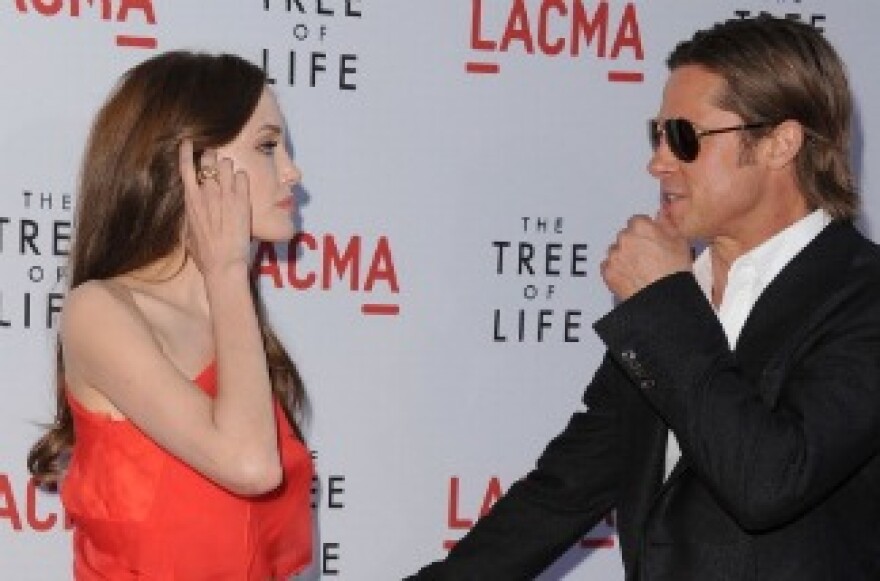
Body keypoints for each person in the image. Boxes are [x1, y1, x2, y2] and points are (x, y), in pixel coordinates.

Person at [409, 15, 880, 580]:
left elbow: (769, 481)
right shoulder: (682, 295)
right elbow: (566, 488)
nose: (658, 161)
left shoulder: (861, 295)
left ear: (781, 143)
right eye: (655, 135)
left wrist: (664, 305)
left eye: (684, 138)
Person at [26, 51, 314, 579]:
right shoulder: (101, 310)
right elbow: (249, 465)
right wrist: (226, 272)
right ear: (194, 164)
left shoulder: (239, 326)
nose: (292, 172)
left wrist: (228, 284)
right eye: (268, 147)